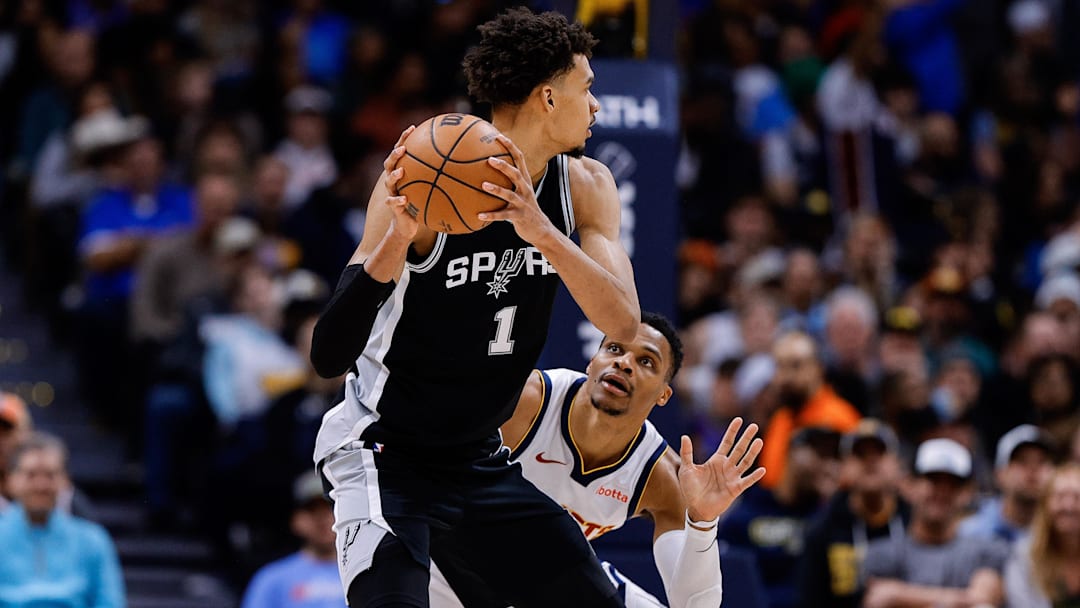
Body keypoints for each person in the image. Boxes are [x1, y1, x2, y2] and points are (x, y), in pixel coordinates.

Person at [310, 8, 643, 608]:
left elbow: (623, 324)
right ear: (548, 97)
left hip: (478, 459)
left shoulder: (584, 187)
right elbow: (328, 353)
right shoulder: (425, 171)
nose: (595, 106)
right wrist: (394, 243)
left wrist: (539, 230)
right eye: (587, 88)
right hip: (387, 453)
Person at [427, 313, 765, 607]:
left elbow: (694, 605)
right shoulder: (524, 404)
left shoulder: (660, 476)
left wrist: (703, 521)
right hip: (450, 568)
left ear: (664, 394)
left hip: (547, 582)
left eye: (646, 361)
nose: (624, 363)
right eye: (614, 349)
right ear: (593, 361)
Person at [861, 438, 1009, 608]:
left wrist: (898, 594)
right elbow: (875, 600)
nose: (942, 491)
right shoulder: (883, 554)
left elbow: (981, 599)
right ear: (909, 485)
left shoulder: (986, 551)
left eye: (953, 484)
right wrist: (957, 600)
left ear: (967, 493)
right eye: (933, 480)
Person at [717, 426, 840, 608]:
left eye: (833, 457)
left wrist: (833, 504)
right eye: (820, 454)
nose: (827, 466)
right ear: (793, 451)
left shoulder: (827, 515)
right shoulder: (748, 508)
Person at [0, 432, 125, 607]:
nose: (41, 485)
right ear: (10, 480)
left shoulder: (92, 540)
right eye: (31, 475)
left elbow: (110, 603)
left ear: (65, 481)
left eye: (50, 475)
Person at [797, 419, 908, 608]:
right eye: (860, 454)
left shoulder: (914, 521)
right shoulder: (821, 530)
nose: (870, 462)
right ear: (843, 466)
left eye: (879, 453)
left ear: (897, 464)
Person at [758, 330, 861, 487]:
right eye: (780, 366)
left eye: (796, 365)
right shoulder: (780, 418)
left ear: (818, 368)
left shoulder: (839, 418)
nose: (785, 377)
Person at [240, 472, 347, 608]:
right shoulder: (271, 580)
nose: (323, 519)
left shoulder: (366, 572)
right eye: (313, 510)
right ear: (296, 520)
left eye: (330, 507)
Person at [960, 424, 1055, 543]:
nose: (1033, 468)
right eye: (1022, 460)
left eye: (1042, 461)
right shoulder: (970, 536)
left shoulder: (1066, 536)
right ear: (999, 473)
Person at [1004, 463, 1080, 607]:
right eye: (1060, 497)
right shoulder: (1024, 556)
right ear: (1045, 505)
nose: (1068, 506)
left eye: (1077, 497)